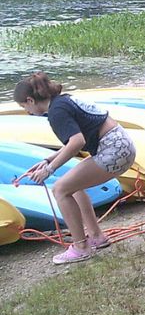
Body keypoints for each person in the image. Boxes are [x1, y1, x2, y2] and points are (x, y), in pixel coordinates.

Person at [14, 72, 137, 264]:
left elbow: (77, 142)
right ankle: (96, 236)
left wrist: (50, 169)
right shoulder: (61, 101)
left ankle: (81, 247)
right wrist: (48, 160)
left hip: (114, 151)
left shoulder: (56, 113)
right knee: (74, 185)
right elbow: (78, 137)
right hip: (120, 145)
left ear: (30, 100)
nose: (27, 111)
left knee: (61, 189)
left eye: (24, 106)